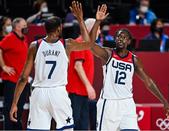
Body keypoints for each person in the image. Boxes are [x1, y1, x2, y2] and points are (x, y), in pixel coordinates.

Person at [10, 1, 93, 130]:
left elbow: (23, 78)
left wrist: (14, 103)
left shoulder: (34, 46)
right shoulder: (67, 44)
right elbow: (88, 44)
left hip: (39, 94)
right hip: (58, 92)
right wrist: (80, 19)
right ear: (59, 28)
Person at [90, 4, 169, 131]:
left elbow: (148, 82)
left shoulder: (134, 59)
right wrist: (98, 21)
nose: (120, 39)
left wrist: (164, 100)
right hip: (109, 103)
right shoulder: (108, 53)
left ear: (129, 41)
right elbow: (91, 45)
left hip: (127, 103)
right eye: (118, 36)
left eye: (123, 37)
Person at [66, 18, 98, 130]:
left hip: (82, 92)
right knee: (76, 124)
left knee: (83, 125)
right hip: (76, 92)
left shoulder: (87, 44)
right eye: (97, 28)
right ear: (90, 29)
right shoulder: (79, 43)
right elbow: (78, 66)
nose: (98, 31)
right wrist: (89, 86)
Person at [0, 17, 29, 130]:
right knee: (9, 111)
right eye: (24, 25)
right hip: (12, 81)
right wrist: (3, 66)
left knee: (19, 110)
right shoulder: (9, 38)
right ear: (17, 27)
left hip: (22, 81)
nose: (26, 28)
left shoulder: (23, 39)